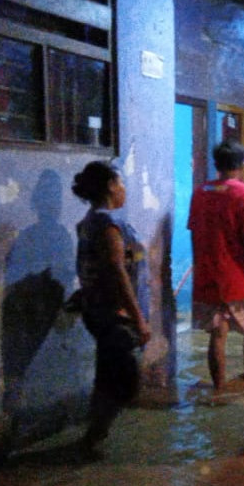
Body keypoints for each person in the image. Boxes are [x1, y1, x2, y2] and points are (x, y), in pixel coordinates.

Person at [71, 160, 150, 456]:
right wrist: (138, 319)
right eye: (120, 183)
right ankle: (92, 437)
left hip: (99, 310)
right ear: (109, 187)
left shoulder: (90, 221)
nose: (124, 189)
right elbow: (117, 273)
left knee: (110, 374)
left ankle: (92, 438)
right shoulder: (106, 225)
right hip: (114, 313)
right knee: (124, 381)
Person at [188, 140, 244, 394]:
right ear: (242, 165)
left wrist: (199, 265)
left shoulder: (201, 192)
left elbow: (194, 233)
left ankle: (219, 386)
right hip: (238, 277)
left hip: (208, 275)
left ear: (216, 164)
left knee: (217, 334)